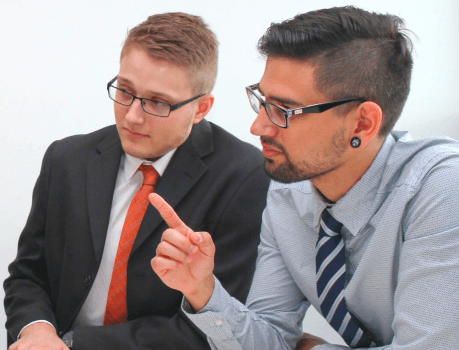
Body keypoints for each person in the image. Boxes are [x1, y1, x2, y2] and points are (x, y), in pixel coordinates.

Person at [150, 6, 459, 349]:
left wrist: (311, 348)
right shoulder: (290, 193)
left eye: (284, 111)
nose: (258, 127)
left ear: (362, 124)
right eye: (263, 101)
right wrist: (201, 289)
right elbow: (271, 339)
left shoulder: (442, 189)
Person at [3, 12, 270, 350]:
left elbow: (220, 325)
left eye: (157, 102)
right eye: (125, 91)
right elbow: (28, 275)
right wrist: (37, 331)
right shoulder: (67, 158)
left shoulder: (246, 177)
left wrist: (74, 345)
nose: (132, 115)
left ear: (202, 108)